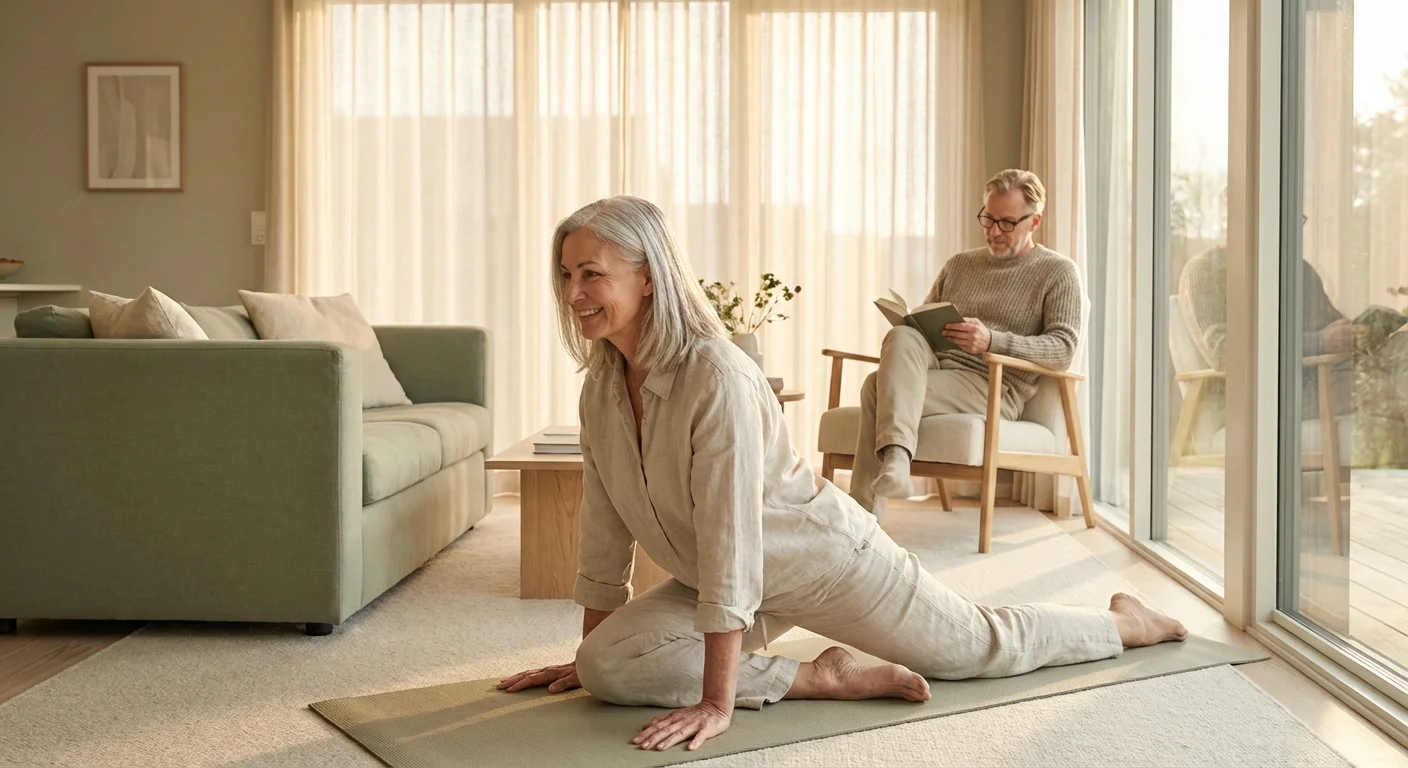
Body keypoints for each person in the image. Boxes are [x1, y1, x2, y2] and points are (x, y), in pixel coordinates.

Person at [497, 195, 1187, 754]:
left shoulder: (717, 376)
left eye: (593, 273)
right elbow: (606, 527)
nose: (574, 291)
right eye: (566, 275)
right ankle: (821, 675)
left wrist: (718, 699)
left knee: (976, 646)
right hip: (719, 579)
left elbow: (734, 536)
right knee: (608, 668)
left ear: (648, 277)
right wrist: (588, 656)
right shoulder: (601, 385)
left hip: (822, 561)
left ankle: (1124, 624)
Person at [848, 169, 1082, 515]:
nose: (994, 232)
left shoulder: (1058, 272)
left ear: (1034, 222)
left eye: (1007, 223)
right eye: (988, 219)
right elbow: (922, 325)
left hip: (994, 386)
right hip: (941, 370)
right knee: (902, 334)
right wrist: (912, 324)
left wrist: (992, 341)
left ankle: (864, 512)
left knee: (874, 387)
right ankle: (892, 469)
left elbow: (1062, 349)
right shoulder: (959, 265)